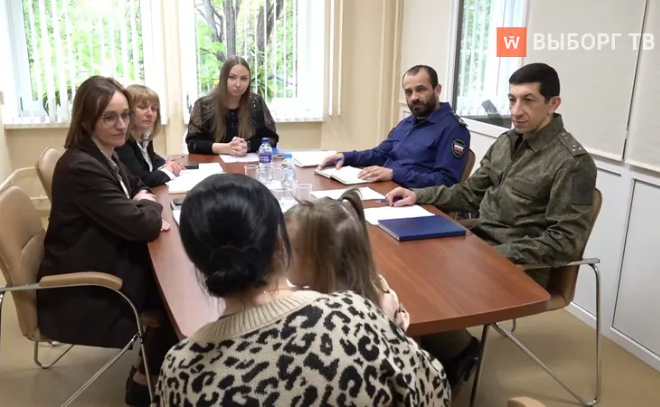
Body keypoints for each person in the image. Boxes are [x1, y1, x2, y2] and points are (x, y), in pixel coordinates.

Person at [384, 63, 598, 391]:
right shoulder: (506, 142)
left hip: (521, 267)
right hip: (477, 245)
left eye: (528, 100)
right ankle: (433, 353)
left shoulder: (573, 163)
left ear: (553, 104)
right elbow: (470, 192)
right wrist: (418, 194)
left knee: (421, 286)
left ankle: (454, 353)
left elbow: (565, 242)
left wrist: (488, 255)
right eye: (512, 99)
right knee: (403, 267)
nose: (516, 110)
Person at [153, 173, 451, 406]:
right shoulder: (354, 316)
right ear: (279, 243)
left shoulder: (179, 370)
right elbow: (434, 392)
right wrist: (385, 328)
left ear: (197, 261)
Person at [37, 76, 179, 407]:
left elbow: (138, 187)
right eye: (109, 117)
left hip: (99, 255)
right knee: (175, 292)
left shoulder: (104, 154)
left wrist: (142, 199)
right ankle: (143, 384)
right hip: (86, 286)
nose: (122, 125)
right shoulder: (82, 167)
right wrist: (147, 204)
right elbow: (142, 224)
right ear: (87, 120)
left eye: (125, 115)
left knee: (176, 272)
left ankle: (148, 366)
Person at [317, 65, 471, 189]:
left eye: (421, 89)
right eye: (408, 92)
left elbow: (446, 181)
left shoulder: (454, 129)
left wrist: (393, 174)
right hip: (384, 189)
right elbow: (380, 154)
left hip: (415, 200)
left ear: (437, 90)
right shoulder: (407, 123)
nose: (414, 97)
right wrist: (346, 157)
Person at [284, 189, 409, 331]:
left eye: (286, 249)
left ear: (313, 261)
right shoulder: (379, 289)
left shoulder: (312, 316)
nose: (280, 257)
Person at [186, 55, 279, 156]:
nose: (238, 84)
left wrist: (248, 146)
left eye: (244, 79)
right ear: (223, 78)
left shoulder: (256, 103)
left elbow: (272, 139)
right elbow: (192, 144)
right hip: (213, 163)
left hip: (248, 163)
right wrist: (225, 148)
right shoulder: (203, 105)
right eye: (232, 77)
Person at [115, 84, 184, 187]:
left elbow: (152, 159)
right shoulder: (122, 142)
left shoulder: (145, 135)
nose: (150, 113)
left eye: (154, 108)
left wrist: (169, 164)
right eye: (142, 107)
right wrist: (168, 171)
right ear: (127, 111)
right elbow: (141, 180)